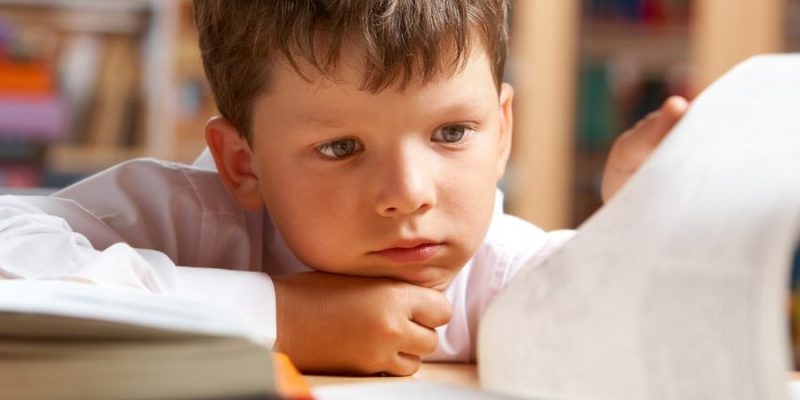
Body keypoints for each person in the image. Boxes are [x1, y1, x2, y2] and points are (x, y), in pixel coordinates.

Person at [0, 0, 688, 375]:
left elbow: (645, 332)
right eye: (341, 147)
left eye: (452, 132)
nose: (410, 194)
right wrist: (286, 319)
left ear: (502, 129)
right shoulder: (186, 219)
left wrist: (635, 233)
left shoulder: (500, 270)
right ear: (243, 163)